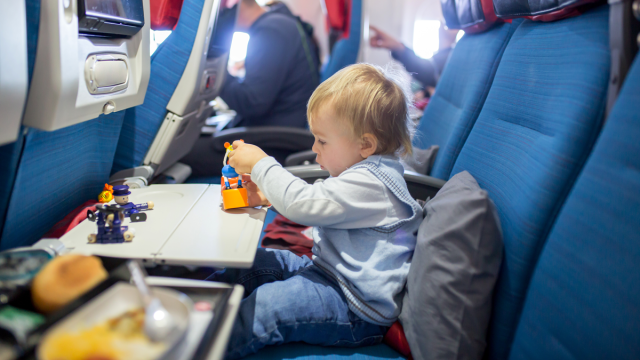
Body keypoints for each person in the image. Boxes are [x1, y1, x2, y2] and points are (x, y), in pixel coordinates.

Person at [209, 63, 423, 359]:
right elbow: (326, 200)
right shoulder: (364, 172)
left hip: (354, 308)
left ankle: (202, 347)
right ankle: (194, 305)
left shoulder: (373, 183)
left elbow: (304, 204)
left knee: (270, 305)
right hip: (327, 274)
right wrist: (266, 194)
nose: (314, 148)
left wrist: (261, 163)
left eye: (322, 140)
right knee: (256, 263)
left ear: (366, 145)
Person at [181, 0, 320, 177]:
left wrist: (217, 74)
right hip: (275, 133)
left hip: (273, 144)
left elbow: (252, 103)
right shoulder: (279, 24)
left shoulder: (270, 31)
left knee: (183, 153)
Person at [369, 24, 458, 90]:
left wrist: (398, 47)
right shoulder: (440, 59)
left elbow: (428, 71)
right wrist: (398, 47)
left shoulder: (455, 57)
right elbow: (428, 71)